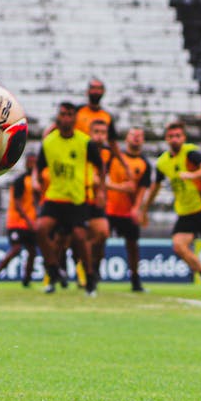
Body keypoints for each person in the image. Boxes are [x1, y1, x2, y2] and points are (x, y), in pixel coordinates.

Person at [140, 122, 201, 298]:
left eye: (178, 136)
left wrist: (192, 175)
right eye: (171, 136)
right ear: (166, 139)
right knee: (178, 246)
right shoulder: (162, 162)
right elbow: (155, 186)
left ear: (183, 138)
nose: (175, 139)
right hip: (185, 211)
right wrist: (145, 209)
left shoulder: (191, 153)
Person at [32, 102, 104, 296]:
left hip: (76, 199)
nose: (66, 118)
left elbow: (100, 165)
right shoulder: (48, 142)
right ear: (58, 116)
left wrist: (100, 191)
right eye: (63, 114)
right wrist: (38, 183)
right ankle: (53, 269)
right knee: (40, 229)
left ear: (75, 118)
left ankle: (90, 278)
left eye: (69, 115)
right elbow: (39, 167)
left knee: (80, 239)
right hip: (55, 197)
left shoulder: (84, 142)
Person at [104, 127, 151, 292]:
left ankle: (135, 281)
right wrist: (121, 188)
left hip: (128, 212)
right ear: (126, 139)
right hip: (109, 209)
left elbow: (142, 190)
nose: (136, 138)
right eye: (133, 135)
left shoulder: (145, 164)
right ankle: (92, 276)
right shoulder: (114, 157)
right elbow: (101, 180)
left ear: (143, 140)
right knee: (98, 240)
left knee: (132, 246)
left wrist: (137, 209)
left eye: (140, 136)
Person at [0, 153, 38, 288]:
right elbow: (17, 203)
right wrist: (28, 220)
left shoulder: (36, 181)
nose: (32, 165)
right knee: (16, 249)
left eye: (34, 162)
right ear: (26, 163)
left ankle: (27, 280)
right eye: (30, 162)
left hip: (31, 222)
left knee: (32, 251)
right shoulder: (20, 180)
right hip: (17, 222)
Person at [82, 120, 112, 285]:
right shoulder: (83, 148)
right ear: (90, 133)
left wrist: (102, 189)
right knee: (76, 238)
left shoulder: (108, 153)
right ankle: (86, 270)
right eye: (96, 132)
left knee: (102, 234)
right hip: (81, 198)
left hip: (97, 201)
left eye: (103, 132)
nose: (100, 136)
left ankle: (93, 266)